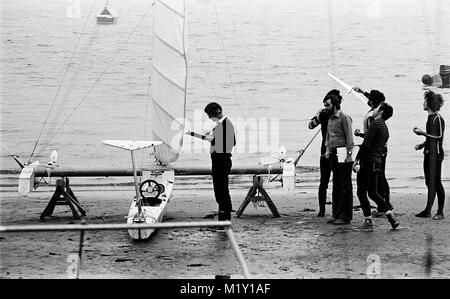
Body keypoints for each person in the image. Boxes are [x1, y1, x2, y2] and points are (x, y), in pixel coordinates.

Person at [353, 103, 400, 231]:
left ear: (381, 112)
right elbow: (374, 140)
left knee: (361, 192)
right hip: (377, 162)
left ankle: (368, 222)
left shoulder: (375, 123)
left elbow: (366, 144)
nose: (374, 110)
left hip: (368, 161)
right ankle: (391, 217)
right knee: (373, 193)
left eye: (377, 109)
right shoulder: (384, 127)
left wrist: (356, 159)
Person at [353, 88, 393, 214]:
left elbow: (368, 140)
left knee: (367, 188)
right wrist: (362, 92)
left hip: (372, 155)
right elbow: (371, 99)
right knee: (378, 182)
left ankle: (379, 209)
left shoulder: (373, 120)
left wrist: (357, 159)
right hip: (379, 153)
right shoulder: (382, 123)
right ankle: (387, 207)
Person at [308, 90, 342, 217]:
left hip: (325, 150)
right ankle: (335, 209)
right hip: (337, 152)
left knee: (324, 182)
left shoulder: (323, 115)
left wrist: (316, 115)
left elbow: (311, 125)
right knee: (336, 182)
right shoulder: (340, 116)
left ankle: (322, 210)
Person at [413, 91, 446, 220]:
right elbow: (432, 136)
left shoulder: (438, 118)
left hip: (436, 155)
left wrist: (422, 133)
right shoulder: (430, 117)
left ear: (430, 104)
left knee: (436, 182)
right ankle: (427, 210)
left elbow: (438, 136)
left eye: (425, 101)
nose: (423, 103)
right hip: (428, 153)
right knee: (429, 182)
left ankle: (440, 212)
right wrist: (422, 144)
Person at [203, 102, 236, 221]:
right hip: (220, 160)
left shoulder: (225, 124)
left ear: (216, 112)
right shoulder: (222, 124)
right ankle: (224, 219)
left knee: (221, 191)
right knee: (220, 190)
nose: (208, 118)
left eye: (209, 115)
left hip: (221, 161)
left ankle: (224, 220)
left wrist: (213, 140)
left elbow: (230, 143)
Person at [324, 95, 354, 225]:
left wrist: (348, 155)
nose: (325, 108)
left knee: (345, 186)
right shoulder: (330, 119)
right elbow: (328, 137)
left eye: (328, 105)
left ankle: (345, 216)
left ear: (335, 106)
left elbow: (349, 138)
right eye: (325, 105)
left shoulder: (344, 117)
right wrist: (327, 151)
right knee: (336, 184)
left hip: (343, 153)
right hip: (333, 153)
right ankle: (336, 213)